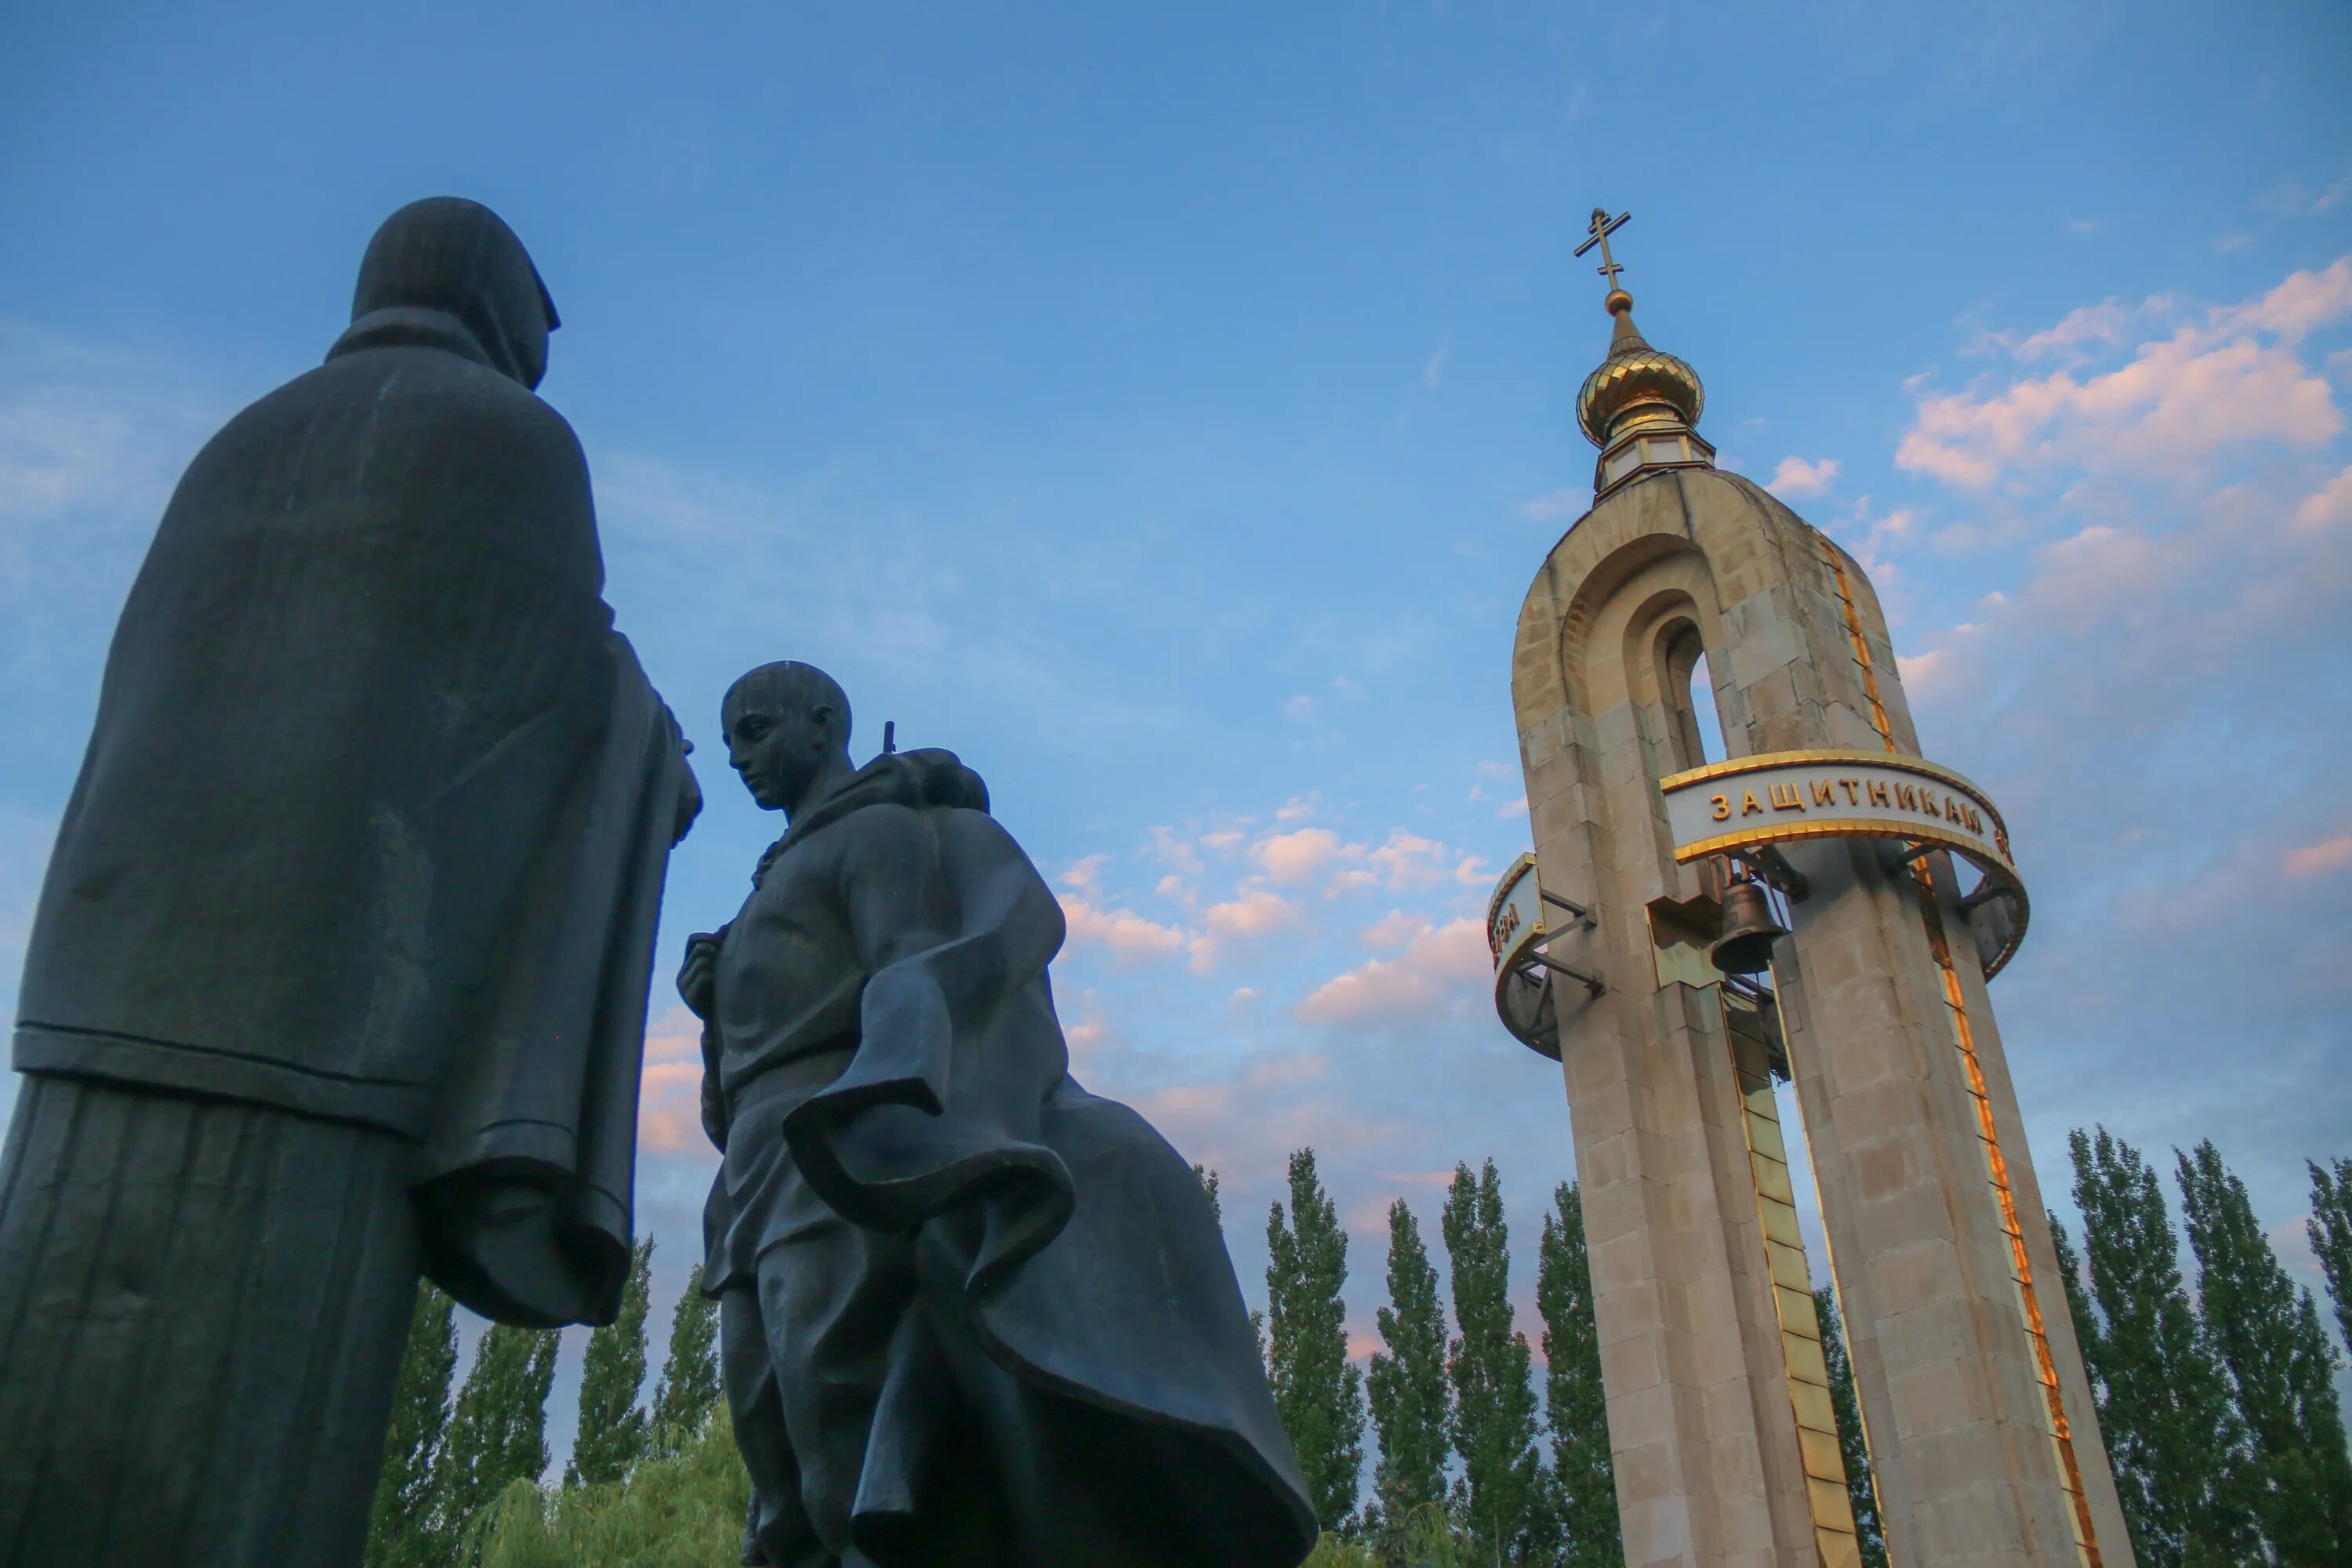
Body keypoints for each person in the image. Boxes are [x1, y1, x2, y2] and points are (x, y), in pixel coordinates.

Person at [0, 198, 698, 1567]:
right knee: (244, 1449)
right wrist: (653, 751)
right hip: (327, 1035)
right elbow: (555, 677)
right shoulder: (509, 438)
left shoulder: (246, 437)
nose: (542, 352)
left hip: (102, 1004)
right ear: (491, 296)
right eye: (539, 321)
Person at [681, 661, 1314, 1568]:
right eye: (730, 739)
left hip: (829, 1151)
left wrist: (888, 1104)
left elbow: (913, 973)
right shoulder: (764, 889)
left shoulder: (876, 833)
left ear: (821, 724)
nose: (739, 756)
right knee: (770, 1441)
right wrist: (713, 1012)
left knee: (835, 1422)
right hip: (751, 1174)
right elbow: (731, 1098)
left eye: (755, 729)